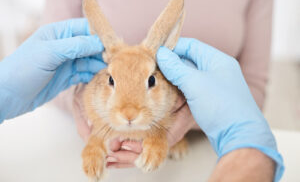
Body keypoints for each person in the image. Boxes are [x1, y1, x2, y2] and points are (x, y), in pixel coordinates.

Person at [0, 19, 284, 181]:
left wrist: (238, 139)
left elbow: (252, 86)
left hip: (199, 154)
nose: (129, 112)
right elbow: (67, 83)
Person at [43, 0, 275, 153]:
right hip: (93, 143)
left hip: (205, 151)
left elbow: (253, 88)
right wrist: (89, 106)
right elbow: (49, 70)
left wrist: (192, 115)